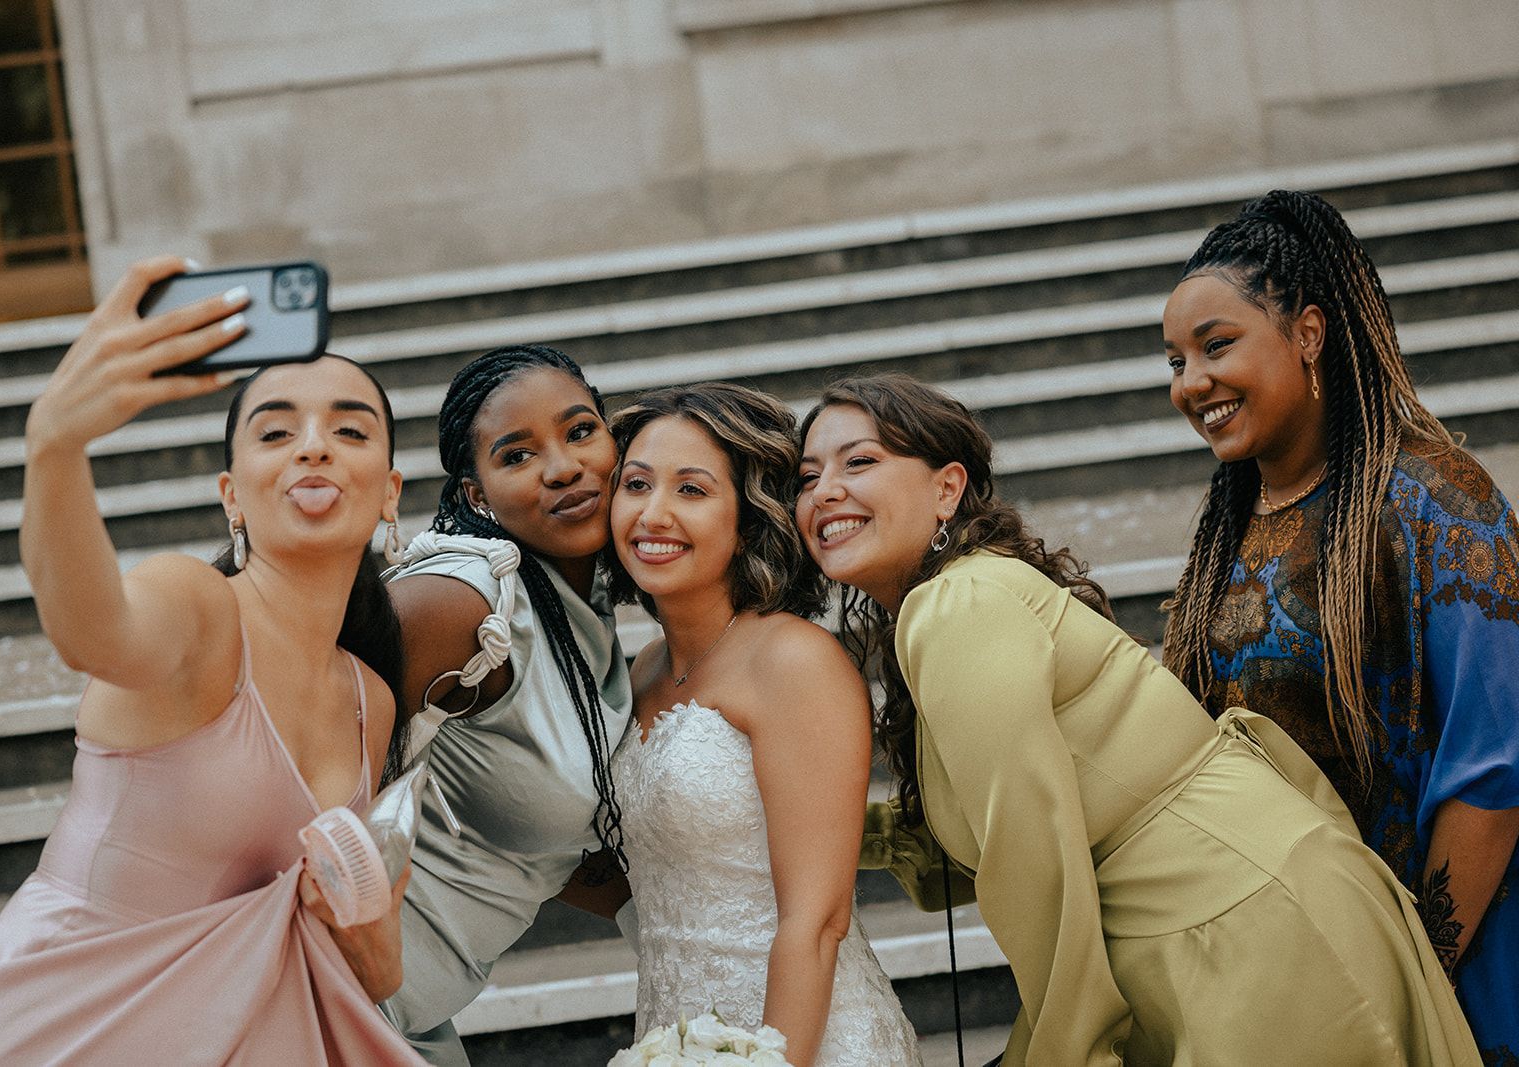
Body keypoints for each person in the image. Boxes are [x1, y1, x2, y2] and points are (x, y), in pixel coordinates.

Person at [801, 374, 1481, 1066]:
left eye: (859, 461)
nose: (824, 489)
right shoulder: (963, 596)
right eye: (806, 476)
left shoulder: (956, 605)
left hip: (1244, 932)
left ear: (947, 488)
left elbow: (1027, 846)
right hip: (1234, 921)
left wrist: (1072, 1047)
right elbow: (995, 827)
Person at [0, 257, 423, 1064]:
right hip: (64, 1031)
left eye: (351, 428)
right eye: (277, 430)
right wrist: (55, 446)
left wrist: (362, 913)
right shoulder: (196, 607)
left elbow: (374, 961)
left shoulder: (371, 698)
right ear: (232, 494)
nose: (315, 447)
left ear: (390, 492)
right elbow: (91, 632)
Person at [1160, 189, 1519, 1057]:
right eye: (1172, 361)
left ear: (1309, 333)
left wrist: (1409, 979)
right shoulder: (1226, 534)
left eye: (1216, 346)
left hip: (1448, 979)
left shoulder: (1436, 497)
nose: (1191, 382)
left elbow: (1495, 769)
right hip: (1307, 984)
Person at [604, 383, 920, 1066]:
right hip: (674, 1032)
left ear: (749, 519)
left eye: (691, 490)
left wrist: (767, 1060)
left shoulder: (794, 661)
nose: (653, 513)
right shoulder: (644, 669)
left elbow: (817, 918)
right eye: (636, 484)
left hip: (803, 1038)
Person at [380, 344, 635, 1065]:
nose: (562, 466)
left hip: (414, 1014)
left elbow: (536, 835)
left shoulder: (579, 598)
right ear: (476, 494)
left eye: (581, 431)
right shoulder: (459, 601)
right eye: (518, 455)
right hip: (333, 1003)